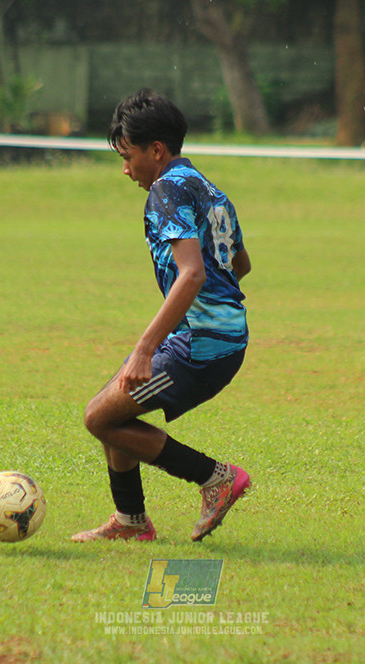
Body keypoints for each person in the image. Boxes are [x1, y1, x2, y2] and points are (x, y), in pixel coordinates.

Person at [71, 88, 252, 543]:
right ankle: (130, 520)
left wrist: (144, 348)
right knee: (114, 407)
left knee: (100, 418)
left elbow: (190, 274)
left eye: (129, 155)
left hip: (202, 347)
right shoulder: (207, 188)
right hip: (216, 336)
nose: (126, 168)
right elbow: (240, 263)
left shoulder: (166, 191)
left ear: (156, 150)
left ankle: (216, 478)